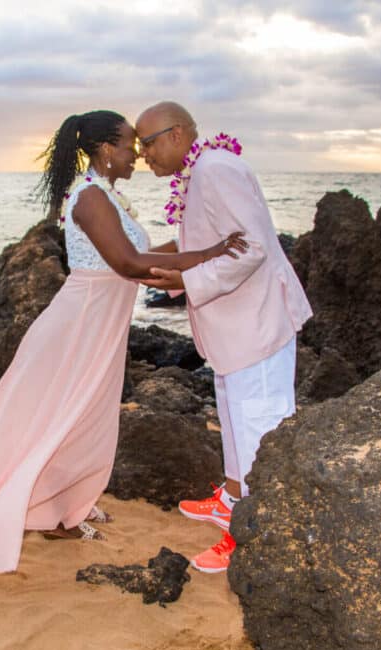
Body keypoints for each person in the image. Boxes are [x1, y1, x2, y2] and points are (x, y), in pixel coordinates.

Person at [0, 110, 248, 573]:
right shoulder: (90, 198)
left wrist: (200, 243)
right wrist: (208, 255)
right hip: (79, 324)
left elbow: (146, 254)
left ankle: (61, 506)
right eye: (131, 144)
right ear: (106, 149)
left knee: (85, 416)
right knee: (56, 415)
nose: (138, 154)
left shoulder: (107, 195)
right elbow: (128, 264)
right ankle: (43, 511)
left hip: (100, 323)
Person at [135, 101, 313, 574]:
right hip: (233, 329)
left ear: (176, 136)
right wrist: (161, 271)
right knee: (235, 417)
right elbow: (206, 245)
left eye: (147, 143)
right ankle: (232, 497)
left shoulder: (215, 170)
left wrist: (186, 283)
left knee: (259, 424)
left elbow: (250, 247)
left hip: (256, 321)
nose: (143, 155)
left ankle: (251, 533)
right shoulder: (202, 170)